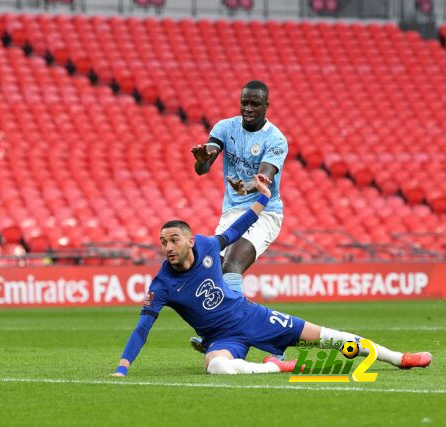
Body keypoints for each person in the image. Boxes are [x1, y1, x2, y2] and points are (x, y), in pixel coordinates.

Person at [110, 175, 431, 377]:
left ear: (189, 241)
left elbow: (234, 231)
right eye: (163, 242)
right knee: (218, 366)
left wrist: (262, 201)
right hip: (222, 339)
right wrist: (122, 369)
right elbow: (142, 328)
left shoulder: (207, 246)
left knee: (328, 338)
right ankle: (273, 367)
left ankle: (398, 358)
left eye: (174, 240)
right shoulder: (161, 285)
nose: (167, 246)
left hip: (252, 316)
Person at [189, 80, 287, 353]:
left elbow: (265, 177)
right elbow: (205, 164)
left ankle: (233, 332)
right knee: (211, 273)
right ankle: (216, 334)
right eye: (245, 102)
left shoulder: (276, 140)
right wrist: (202, 158)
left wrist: (247, 185)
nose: (248, 108)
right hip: (232, 212)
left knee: (232, 265)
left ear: (266, 105)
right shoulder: (224, 127)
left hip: (264, 211)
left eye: (255, 103)